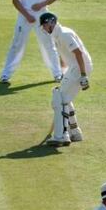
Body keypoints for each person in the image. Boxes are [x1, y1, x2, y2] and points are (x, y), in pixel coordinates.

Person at [0, 0, 62, 84]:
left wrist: (41, 4)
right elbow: (15, 0)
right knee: (16, 45)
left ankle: (58, 74)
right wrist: (27, 15)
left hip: (43, 16)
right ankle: (5, 75)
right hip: (25, 16)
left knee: (49, 45)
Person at [39, 13, 91, 147]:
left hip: (79, 68)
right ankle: (75, 132)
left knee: (59, 99)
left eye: (44, 26)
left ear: (51, 23)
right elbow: (64, 56)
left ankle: (62, 135)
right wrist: (63, 72)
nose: (43, 29)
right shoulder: (56, 35)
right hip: (74, 68)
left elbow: (78, 53)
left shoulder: (64, 34)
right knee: (64, 98)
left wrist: (83, 74)